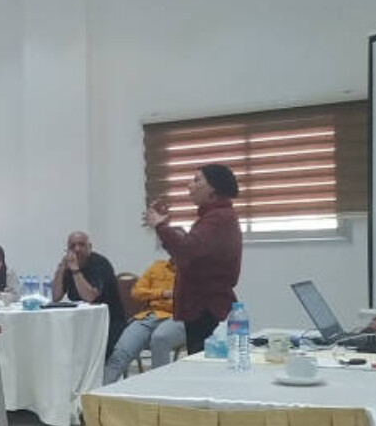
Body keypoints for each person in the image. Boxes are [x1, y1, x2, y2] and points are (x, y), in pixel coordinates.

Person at [144, 163, 242, 354]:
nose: (189, 186)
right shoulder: (216, 217)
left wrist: (161, 227)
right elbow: (190, 255)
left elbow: (186, 251)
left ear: (213, 188)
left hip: (207, 308)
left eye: (197, 180)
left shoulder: (217, 219)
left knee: (205, 367)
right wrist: (164, 228)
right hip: (205, 307)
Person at [103, 258, 186, 384]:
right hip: (150, 316)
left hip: (178, 317)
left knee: (160, 338)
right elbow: (137, 292)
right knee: (121, 351)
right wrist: (163, 293)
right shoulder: (157, 267)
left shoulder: (194, 272)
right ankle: (98, 390)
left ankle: (158, 389)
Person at [52, 232, 126, 358]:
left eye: (81, 245)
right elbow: (56, 297)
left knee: (92, 354)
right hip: (81, 322)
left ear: (89, 247)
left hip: (108, 321)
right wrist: (61, 269)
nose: (77, 249)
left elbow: (90, 297)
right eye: (72, 246)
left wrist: (75, 271)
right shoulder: (69, 265)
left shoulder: (100, 263)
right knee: (59, 344)